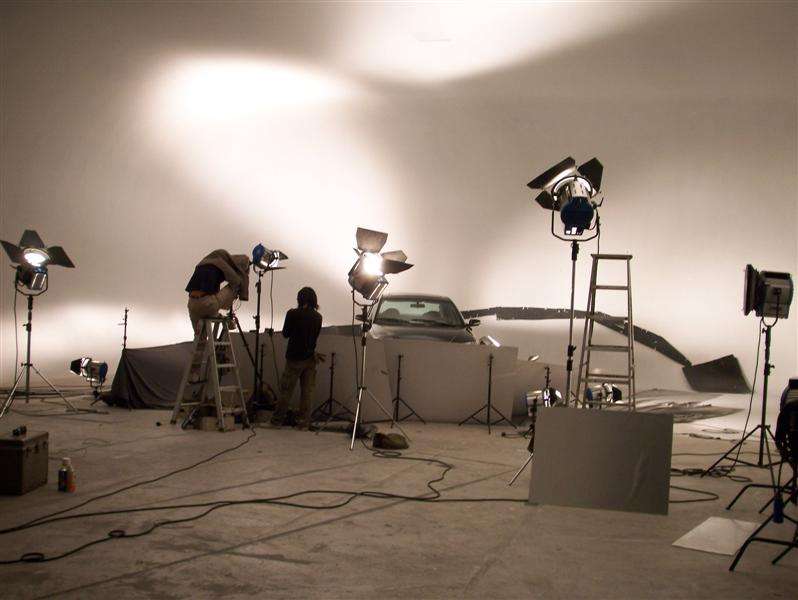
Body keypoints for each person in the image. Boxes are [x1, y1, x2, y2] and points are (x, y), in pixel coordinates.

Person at [271, 287, 323, 430]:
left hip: (294, 358)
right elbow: (315, 336)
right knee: (307, 393)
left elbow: (285, 334)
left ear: (300, 299)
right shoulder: (318, 317)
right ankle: (303, 423)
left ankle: (276, 421)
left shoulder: (292, 313)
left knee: (286, 391)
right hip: (310, 359)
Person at [185, 249, 250, 334]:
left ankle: (219, 316)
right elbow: (236, 281)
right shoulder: (221, 264)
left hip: (192, 305)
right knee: (236, 284)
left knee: (200, 338)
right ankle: (229, 317)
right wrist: (243, 275)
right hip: (206, 304)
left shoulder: (203, 264)